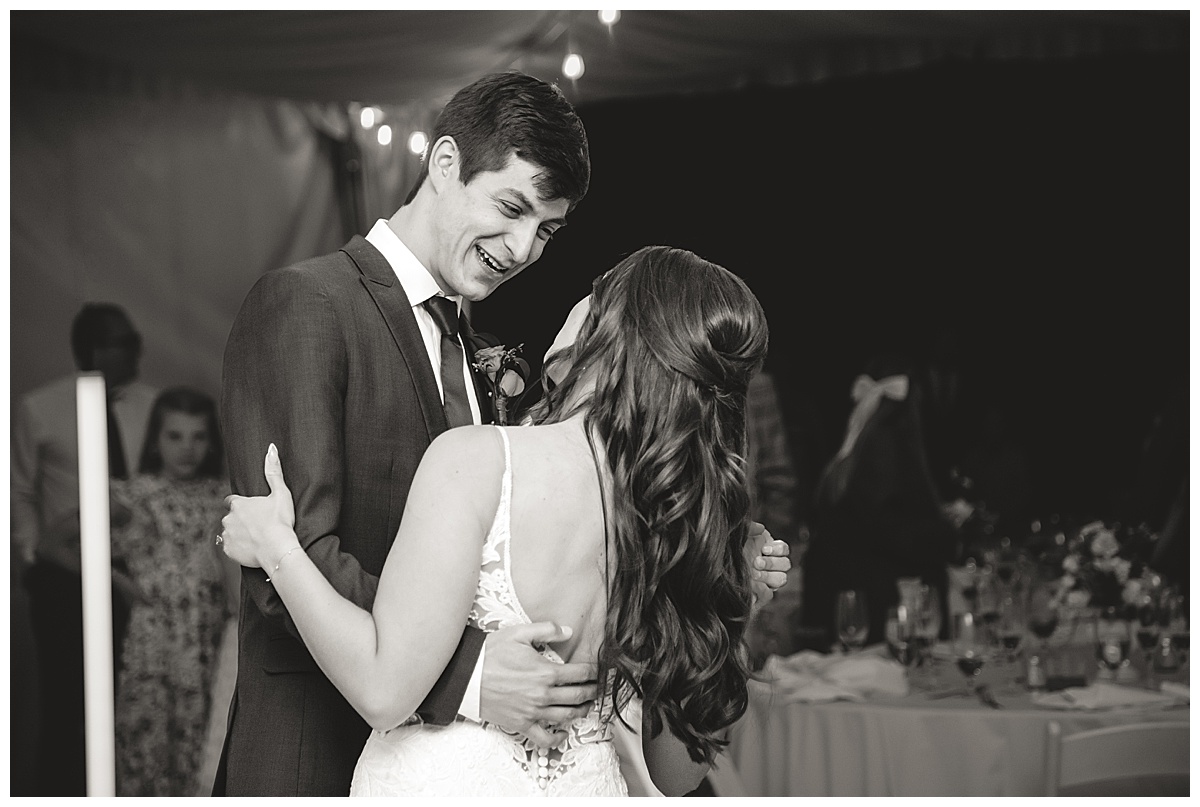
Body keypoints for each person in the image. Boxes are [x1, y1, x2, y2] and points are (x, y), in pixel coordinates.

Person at [217, 71, 792, 796]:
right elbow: (296, 558)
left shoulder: (485, 357)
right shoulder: (306, 304)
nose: (522, 248)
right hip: (321, 752)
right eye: (512, 207)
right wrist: (474, 671)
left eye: (547, 230)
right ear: (446, 164)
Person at [11, 302, 158, 795]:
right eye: (125, 341)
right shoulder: (40, 408)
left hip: (135, 570)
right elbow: (20, 490)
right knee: (66, 701)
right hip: (66, 572)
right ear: (94, 349)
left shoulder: (154, 405)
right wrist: (36, 554)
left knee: (135, 696)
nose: (137, 349)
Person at [110, 387, 238, 795]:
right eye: (175, 436)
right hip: (155, 637)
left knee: (199, 743)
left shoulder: (219, 495)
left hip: (206, 636)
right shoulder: (136, 494)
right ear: (155, 440)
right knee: (148, 740)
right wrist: (121, 582)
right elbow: (56, 543)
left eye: (198, 437)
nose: (187, 448)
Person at [801, 354, 958, 646]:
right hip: (868, 609)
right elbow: (891, 531)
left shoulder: (860, 443)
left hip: (840, 599)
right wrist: (947, 535)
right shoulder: (886, 441)